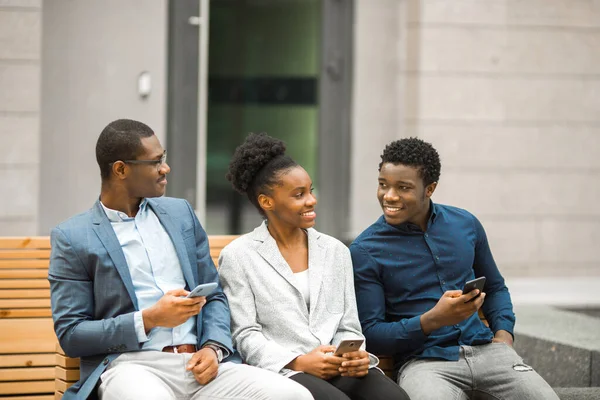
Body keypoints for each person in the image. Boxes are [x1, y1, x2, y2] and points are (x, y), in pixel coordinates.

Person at [48, 119, 312, 400]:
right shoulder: (74, 236)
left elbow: (214, 296)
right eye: (155, 161)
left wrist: (213, 347)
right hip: (132, 367)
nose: (165, 168)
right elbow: (72, 333)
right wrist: (148, 319)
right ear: (121, 169)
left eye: (164, 158)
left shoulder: (180, 214)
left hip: (201, 365)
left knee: (293, 395)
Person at [350, 137, 559, 399]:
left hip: (490, 353)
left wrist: (504, 336)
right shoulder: (365, 250)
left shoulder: (465, 224)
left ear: (430, 188)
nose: (389, 196)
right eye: (383, 185)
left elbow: (494, 287)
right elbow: (370, 333)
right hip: (425, 365)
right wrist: (432, 320)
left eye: (403, 187)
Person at [218, 132, 409, 400]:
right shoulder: (239, 256)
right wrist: (298, 361)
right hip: (283, 371)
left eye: (310, 190)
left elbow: (349, 325)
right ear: (266, 201)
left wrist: (354, 354)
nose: (311, 200)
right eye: (299, 195)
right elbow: (245, 334)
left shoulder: (336, 251)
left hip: (337, 365)